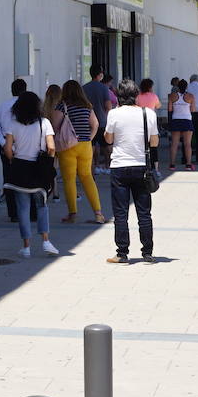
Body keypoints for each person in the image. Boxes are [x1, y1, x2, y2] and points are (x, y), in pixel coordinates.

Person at [103, 79, 159, 264]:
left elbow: (109, 140)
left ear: (119, 96)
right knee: (144, 212)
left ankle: (122, 253)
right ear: (136, 95)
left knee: (120, 212)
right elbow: (155, 142)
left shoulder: (114, 114)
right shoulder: (147, 113)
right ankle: (148, 252)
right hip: (141, 166)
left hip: (119, 166)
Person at [2, 90, 58, 258]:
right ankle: (46, 241)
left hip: (20, 168)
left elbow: (7, 149)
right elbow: (52, 147)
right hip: (38, 170)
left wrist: (13, 158)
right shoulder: (44, 123)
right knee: (42, 206)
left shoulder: (13, 124)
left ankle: (26, 246)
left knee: (23, 209)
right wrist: (48, 162)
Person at [55, 80, 106, 224]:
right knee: (87, 177)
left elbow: (54, 125)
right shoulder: (87, 106)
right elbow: (95, 124)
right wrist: (89, 138)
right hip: (85, 145)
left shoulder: (62, 105)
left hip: (68, 146)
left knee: (69, 179)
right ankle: (98, 214)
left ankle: (72, 214)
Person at [0, 79, 35, 224]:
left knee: (9, 179)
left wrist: (5, 144)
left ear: (11, 90)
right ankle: (32, 212)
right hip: (27, 146)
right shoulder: (30, 106)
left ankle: (13, 213)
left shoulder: (1, 107)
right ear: (25, 89)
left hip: (5, 146)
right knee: (29, 178)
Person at [82, 65, 113, 173]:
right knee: (106, 146)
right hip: (102, 121)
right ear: (100, 75)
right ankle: (107, 165)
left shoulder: (84, 88)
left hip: (87, 122)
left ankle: (94, 166)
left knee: (92, 145)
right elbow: (108, 106)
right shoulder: (104, 88)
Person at [167, 80, 195, 170]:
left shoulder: (172, 96)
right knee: (187, 144)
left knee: (174, 144)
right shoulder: (191, 96)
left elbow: (170, 109)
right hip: (187, 120)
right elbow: (193, 110)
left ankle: (172, 165)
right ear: (186, 87)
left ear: (178, 87)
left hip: (176, 120)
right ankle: (188, 165)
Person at [42, 84, 63, 199]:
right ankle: (57, 191)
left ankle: (53, 190)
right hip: (60, 139)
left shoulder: (43, 108)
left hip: (47, 140)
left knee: (51, 165)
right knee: (61, 166)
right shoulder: (61, 107)